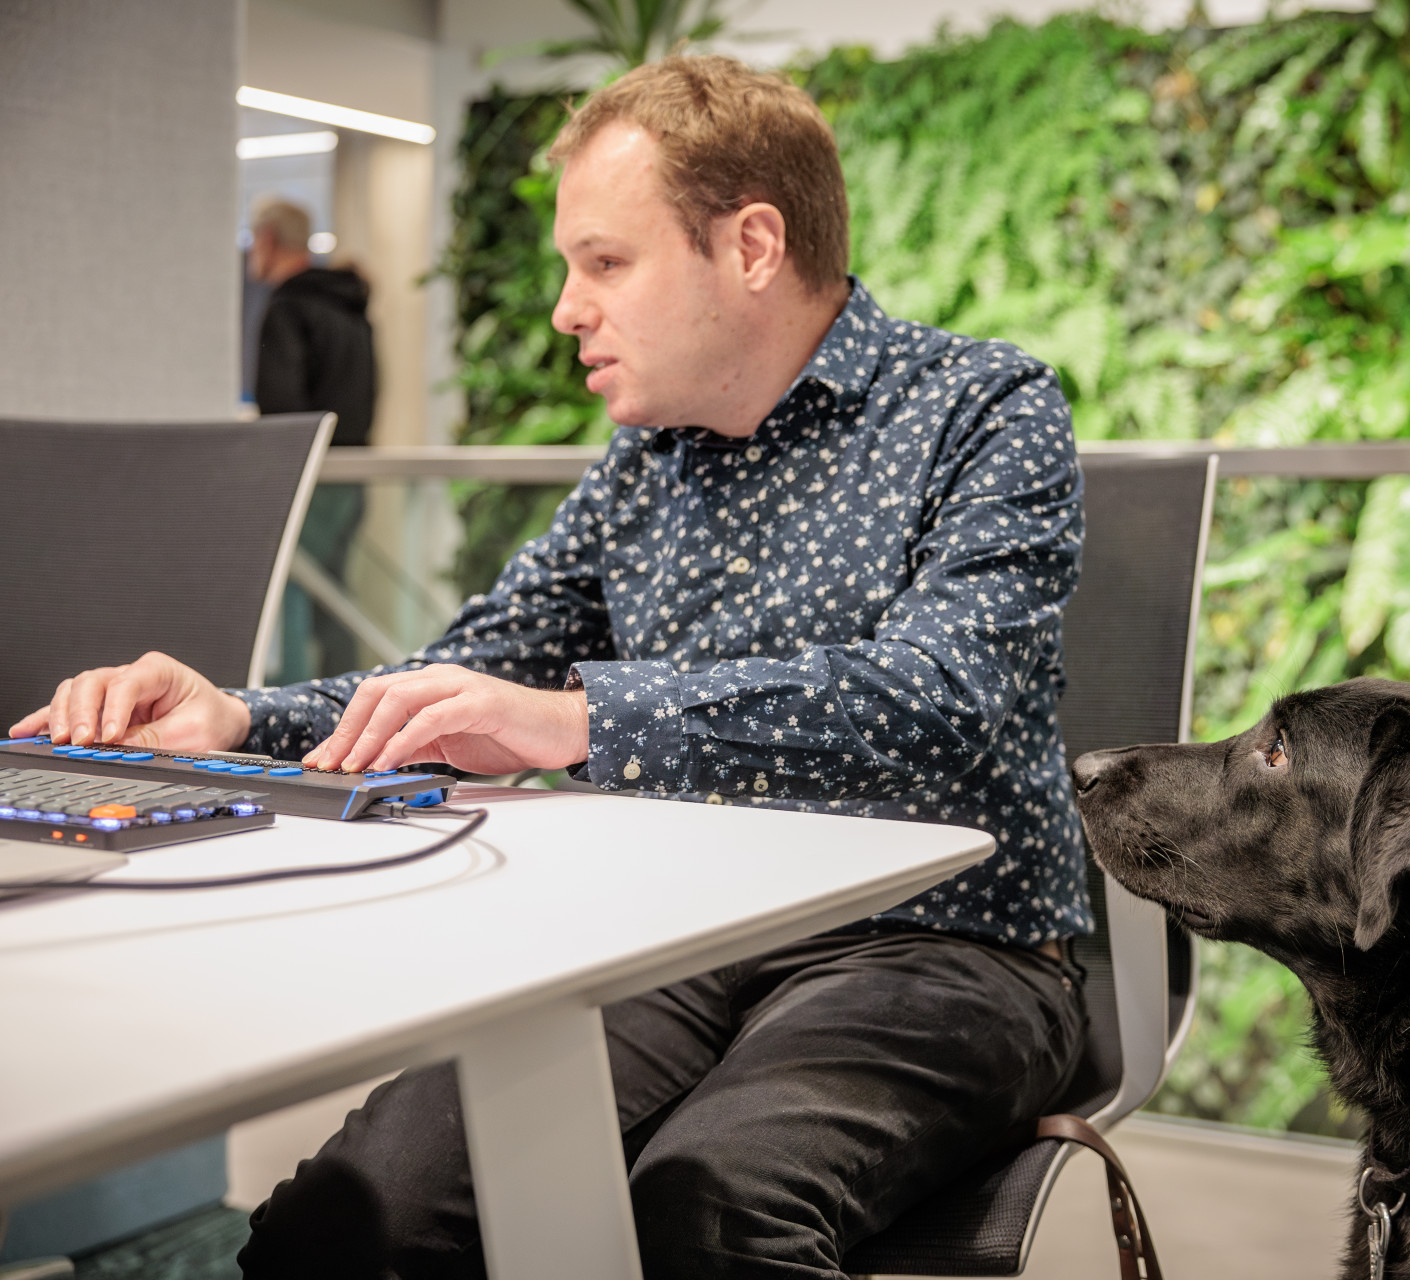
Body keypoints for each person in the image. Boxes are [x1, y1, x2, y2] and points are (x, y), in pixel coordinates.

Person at [11, 57, 1091, 1279]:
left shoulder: (982, 407)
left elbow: (944, 695)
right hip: (676, 932)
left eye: (604, 262)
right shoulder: (647, 459)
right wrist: (237, 717)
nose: (567, 309)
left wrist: (578, 720)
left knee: (705, 1210)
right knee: (358, 1218)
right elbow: (472, 671)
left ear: (750, 246)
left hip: (945, 943)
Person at [248, 198, 377, 680]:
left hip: (309, 478)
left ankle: (288, 713)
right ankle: (353, 701)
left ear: (265, 240)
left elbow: (280, 410)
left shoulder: (289, 308)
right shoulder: (348, 306)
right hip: (354, 476)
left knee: (292, 592)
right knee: (335, 599)